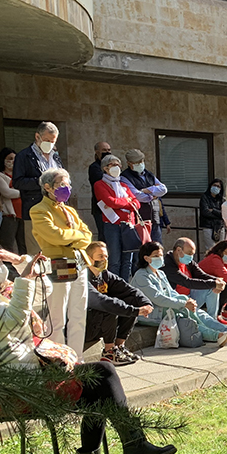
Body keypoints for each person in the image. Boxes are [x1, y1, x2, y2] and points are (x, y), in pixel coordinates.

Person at [0, 235, 176, 454]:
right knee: (102, 373)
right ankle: (124, 450)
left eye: (1, 256)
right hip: (13, 388)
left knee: (98, 384)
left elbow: (43, 290)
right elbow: (11, 320)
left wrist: (16, 261)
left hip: (26, 374)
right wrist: (23, 279)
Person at [30, 167, 92, 358]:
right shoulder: (39, 210)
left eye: (68, 184)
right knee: (57, 317)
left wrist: (72, 238)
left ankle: (77, 358)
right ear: (47, 187)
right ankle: (59, 359)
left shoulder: (70, 210)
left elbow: (88, 236)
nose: (66, 187)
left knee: (78, 314)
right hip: (58, 264)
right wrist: (76, 237)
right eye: (61, 184)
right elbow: (55, 235)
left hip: (79, 263)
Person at [131, 241, 227, 347]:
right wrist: (183, 304)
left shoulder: (160, 273)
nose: (160, 258)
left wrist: (186, 300)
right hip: (151, 314)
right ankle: (217, 336)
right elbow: (159, 298)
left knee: (198, 312)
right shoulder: (141, 276)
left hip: (166, 308)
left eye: (161, 255)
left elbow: (171, 292)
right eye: (155, 256)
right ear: (146, 258)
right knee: (186, 317)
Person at [84, 240, 152, 366]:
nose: (104, 259)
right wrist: (134, 311)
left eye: (106, 256)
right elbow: (100, 301)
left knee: (131, 301)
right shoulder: (82, 278)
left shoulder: (105, 275)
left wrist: (146, 304)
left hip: (100, 323)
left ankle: (119, 346)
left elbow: (130, 290)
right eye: (100, 256)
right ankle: (109, 352)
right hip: (83, 327)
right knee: (111, 306)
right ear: (89, 259)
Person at [12, 122, 62, 256]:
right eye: (47, 140)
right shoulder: (24, 156)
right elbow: (17, 182)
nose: (50, 144)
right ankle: (36, 276)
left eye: (53, 141)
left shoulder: (55, 156)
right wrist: (42, 181)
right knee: (36, 251)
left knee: (55, 248)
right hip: (34, 208)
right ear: (37, 137)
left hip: (55, 208)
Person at [93, 154, 142, 280]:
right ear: (105, 168)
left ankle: (124, 286)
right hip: (112, 225)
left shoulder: (123, 186)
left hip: (128, 225)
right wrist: (127, 201)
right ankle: (113, 287)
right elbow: (110, 202)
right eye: (112, 165)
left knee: (128, 261)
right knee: (114, 260)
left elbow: (137, 203)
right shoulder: (100, 184)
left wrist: (120, 203)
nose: (117, 167)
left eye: (118, 165)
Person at [163, 237, 227, 322]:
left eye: (192, 254)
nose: (191, 257)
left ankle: (213, 318)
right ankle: (211, 322)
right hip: (178, 300)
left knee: (212, 287)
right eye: (189, 253)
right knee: (211, 285)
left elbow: (201, 275)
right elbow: (187, 282)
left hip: (191, 295)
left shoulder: (188, 262)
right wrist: (214, 283)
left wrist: (217, 280)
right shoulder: (167, 264)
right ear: (179, 250)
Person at [122, 148, 168, 268]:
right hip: (140, 218)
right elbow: (138, 196)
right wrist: (153, 193)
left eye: (141, 161)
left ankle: (158, 271)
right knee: (141, 250)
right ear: (129, 163)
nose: (140, 164)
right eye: (137, 162)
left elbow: (163, 189)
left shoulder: (149, 174)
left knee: (157, 247)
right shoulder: (125, 177)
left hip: (155, 217)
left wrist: (147, 190)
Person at [0, 147, 23, 254]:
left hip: (22, 215)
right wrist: (24, 192)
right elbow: (6, 192)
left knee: (23, 245)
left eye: (15, 159)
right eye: (10, 158)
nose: (13, 161)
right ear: (3, 160)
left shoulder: (20, 176)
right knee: (8, 245)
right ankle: (9, 269)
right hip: (9, 216)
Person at [88, 141, 112, 242]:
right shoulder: (94, 167)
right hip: (100, 207)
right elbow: (102, 181)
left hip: (113, 205)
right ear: (97, 152)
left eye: (109, 150)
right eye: (104, 150)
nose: (107, 152)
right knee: (104, 235)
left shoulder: (114, 167)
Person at [199, 178, 226, 250]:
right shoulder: (204, 197)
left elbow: (224, 214)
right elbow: (205, 212)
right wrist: (218, 214)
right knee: (211, 249)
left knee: (221, 249)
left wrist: (213, 210)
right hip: (208, 226)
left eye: (218, 186)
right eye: (214, 185)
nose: (216, 188)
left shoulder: (222, 200)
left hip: (219, 227)